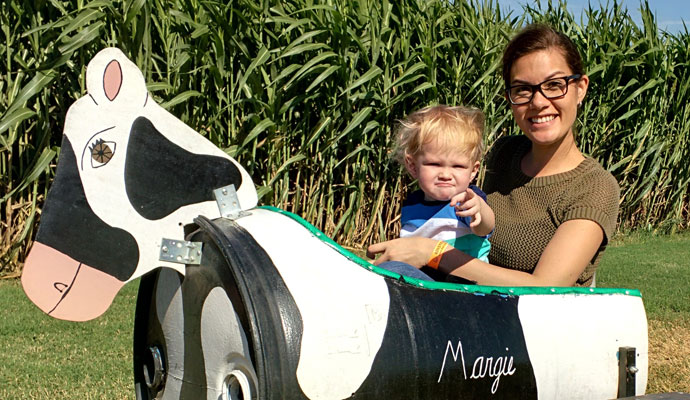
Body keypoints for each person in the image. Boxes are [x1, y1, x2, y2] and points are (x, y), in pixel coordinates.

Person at [367, 23, 620, 287]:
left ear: (580, 88)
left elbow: (545, 287)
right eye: (522, 89)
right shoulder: (504, 154)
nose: (538, 102)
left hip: (530, 322)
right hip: (465, 301)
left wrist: (431, 253)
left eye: (554, 85)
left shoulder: (594, 187)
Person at [381, 105, 494, 282]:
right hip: (422, 279)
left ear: (473, 170)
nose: (446, 175)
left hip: (462, 281)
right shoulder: (412, 205)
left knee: (391, 270)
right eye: (434, 164)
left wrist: (478, 208)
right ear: (412, 166)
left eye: (458, 166)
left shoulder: (465, 201)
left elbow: (484, 228)